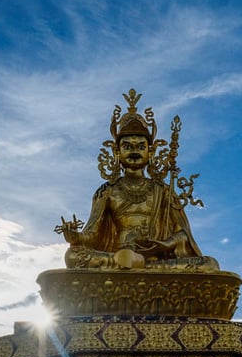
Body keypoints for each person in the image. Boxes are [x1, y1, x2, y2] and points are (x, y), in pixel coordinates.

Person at [55, 89, 219, 271]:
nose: (134, 151)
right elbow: (92, 234)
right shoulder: (107, 191)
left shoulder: (162, 190)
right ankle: (127, 262)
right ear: (116, 152)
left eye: (141, 146)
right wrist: (75, 237)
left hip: (155, 260)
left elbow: (183, 233)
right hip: (117, 256)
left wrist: (165, 244)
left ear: (151, 152)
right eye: (127, 146)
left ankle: (134, 263)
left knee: (209, 264)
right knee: (73, 256)